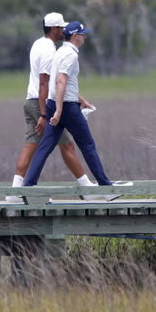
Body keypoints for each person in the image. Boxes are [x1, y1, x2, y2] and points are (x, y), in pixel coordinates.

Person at [23, 22, 131, 199]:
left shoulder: (60, 52)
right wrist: (59, 111)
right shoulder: (70, 55)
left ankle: (28, 186)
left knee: (45, 146)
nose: (84, 37)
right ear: (75, 36)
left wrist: (81, 100)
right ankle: (106, 188)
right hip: (65, 107)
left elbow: (63, 83)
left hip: (54, 103)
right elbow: (60, 82)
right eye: (82, 34)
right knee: (87, 145)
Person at [7, 13, 96, 203]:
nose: (64, 31)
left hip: (30, 100)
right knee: (67, 145)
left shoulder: (38, 44)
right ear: (54, 29)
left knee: (32, 145)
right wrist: (44, 113)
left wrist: (79, 99)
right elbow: (46, 83)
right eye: (61, 28)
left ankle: (15, 192)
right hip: (43, 103)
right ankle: (86, 188)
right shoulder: (49, 50)